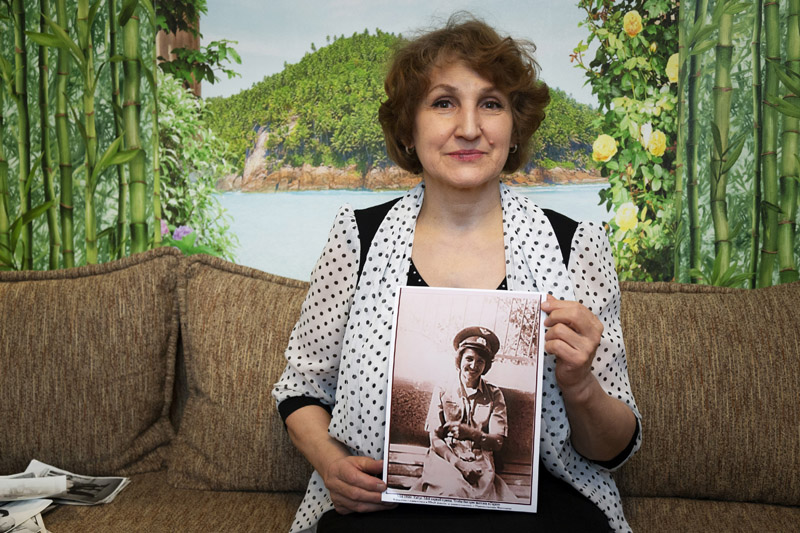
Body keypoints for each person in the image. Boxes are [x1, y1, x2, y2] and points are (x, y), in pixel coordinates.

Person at [273, 14, 641, 533]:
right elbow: (301, 388)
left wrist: (580, 386)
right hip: (389, 502)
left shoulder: (576, 245)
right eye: (443, 102)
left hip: (537, 509)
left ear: (514, 128)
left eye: (490, 103)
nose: (468, 127)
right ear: (409, 127)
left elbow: (613, 451)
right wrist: (330, 463)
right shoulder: (357, 237)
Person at [408, 326, 519, 502]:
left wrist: (472, 433)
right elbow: (434, 438)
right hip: (445, 455)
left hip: (479, 458)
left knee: (477, 497)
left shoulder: (494, 394)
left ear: (486, 366)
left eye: (480, 361)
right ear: (459, 360)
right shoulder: (443, 388)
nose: (474, 366)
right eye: (469, 358)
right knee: (450, 491)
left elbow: (497, 442)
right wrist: (458, 464)